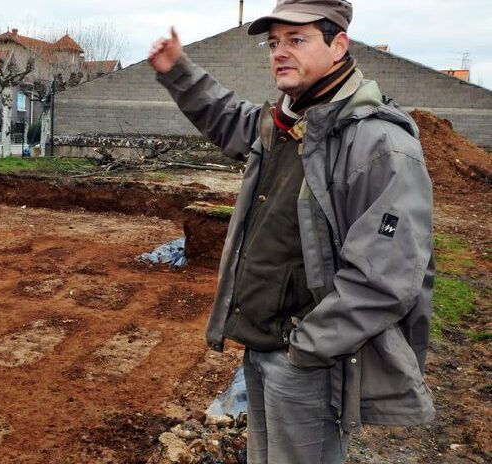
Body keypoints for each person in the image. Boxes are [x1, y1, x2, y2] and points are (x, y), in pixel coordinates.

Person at [148, 1, 436, 463]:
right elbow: (229, 119)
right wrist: (178, 71)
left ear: (338, 45)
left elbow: (386, 277)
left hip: (309, 361)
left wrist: (305, 350)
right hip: (264, 346)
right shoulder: (288, 124)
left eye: (297, 40)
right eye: (274, 42)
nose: (279, 52)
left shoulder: (380, 146)